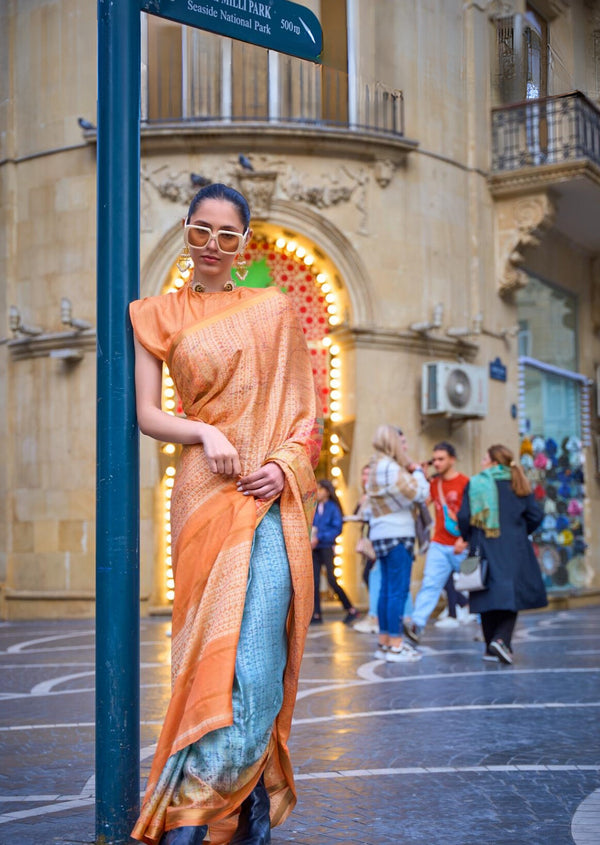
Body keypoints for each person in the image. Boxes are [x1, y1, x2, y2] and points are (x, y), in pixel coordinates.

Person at [129, 183, 322, 845]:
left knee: (257, 658)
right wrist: (201, 433)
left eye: (227, 234)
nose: (212, 245)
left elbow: (305, 416)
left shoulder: (271, 309)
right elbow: (148, 413)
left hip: (266, 497)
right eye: (200, 230)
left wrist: (286, 464)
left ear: (245, 242)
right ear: (186, 229)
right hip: (201, 495)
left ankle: (201, 811)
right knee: (208, 661)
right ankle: (244, 818)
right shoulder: (155, 314)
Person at [457, 444, 546, 664]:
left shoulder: (476, 483)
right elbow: (535, 515)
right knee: (511, 594)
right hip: (514, 546)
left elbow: (464, 516)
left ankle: (492, 645)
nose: (482, 463)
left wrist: (469, 536)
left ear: (494, 462)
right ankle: (501, 640)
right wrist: (519, 530)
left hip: (483, 544)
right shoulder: (518, 483)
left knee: (485, 592)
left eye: (485, 459)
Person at [363, 425, 429, 662]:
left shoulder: (376, 467)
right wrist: (419, 471)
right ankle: (396, 645)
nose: (406, 447)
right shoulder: (390, 468)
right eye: (402, 443)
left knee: (386, 590)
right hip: (397, 534)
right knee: (398, 591)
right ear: (392, 443)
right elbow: (420, 493)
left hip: (382, 533)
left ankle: (385, 643)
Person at [404, 442, 472, 644]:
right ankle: (417, 624)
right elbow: (421, 504)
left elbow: (475, 514)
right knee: (430, 584)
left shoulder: (465, 483)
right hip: (439, 544)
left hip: (462, 545)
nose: (437, 463)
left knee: (476, 586)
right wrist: (421, 478)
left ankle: (489, 627)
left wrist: (466, 540)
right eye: (435, 459)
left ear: (453, 459)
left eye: (441, 459)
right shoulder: (434, 484)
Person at [311, 479, 359, 625]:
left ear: (327, 491)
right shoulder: (314, 507)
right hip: (314, 548)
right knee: (315, 581)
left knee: (332, 579)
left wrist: (319, 537)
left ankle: (350, 609)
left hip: (326, 547)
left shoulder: (333, 508)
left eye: (320, 489)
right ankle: (316, 614)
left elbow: (336, 528)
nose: (318, 492)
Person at [351, 464, 380, 634]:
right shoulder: (365, 496)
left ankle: (376, 616)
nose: (365, 478)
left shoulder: (375, 495)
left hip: (377, 541)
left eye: (368, 474)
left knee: (373, 576)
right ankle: (375, 614)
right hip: (369, 540)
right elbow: (357, 515)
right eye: (363, 474)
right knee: (371, 576)